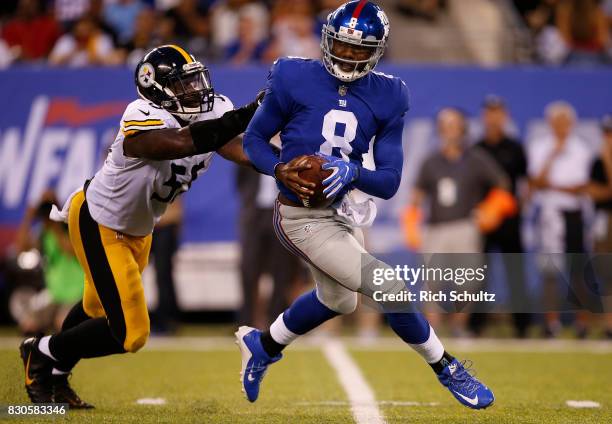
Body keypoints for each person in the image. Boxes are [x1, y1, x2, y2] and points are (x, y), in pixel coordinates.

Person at [237, 1, 494, 410]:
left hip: (342, 208)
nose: (349, 55)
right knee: (389, 287)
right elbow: (252, 140)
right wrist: (279, 169)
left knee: (338, 301)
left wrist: (352, 172)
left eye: (361, 49)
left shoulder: (390, 94)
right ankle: (447, 366)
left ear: (378, 50)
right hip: (300, 215)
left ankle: (262, 344)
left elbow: (390, 181)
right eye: (342, 44)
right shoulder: (292, 75)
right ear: (326, 40)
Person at [19, 44, 262, 408]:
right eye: (181, 85)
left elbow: (234, 146)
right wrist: (244, 115)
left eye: (194, 81)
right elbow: (179, 143)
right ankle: (40, 351)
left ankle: (53, 375)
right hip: (99, 221)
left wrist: (280, 167)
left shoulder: (212, 111)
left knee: (95, 309)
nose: (194, 91)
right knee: (130, 333)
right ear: (156, 90)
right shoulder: (142, 115)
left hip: (140, 228)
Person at [402, 107, 515, 337]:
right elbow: (417, 196)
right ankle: (431, 333)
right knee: (432, 284)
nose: (450, 130)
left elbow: (503, 183)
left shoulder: (476, 158)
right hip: (436, 228)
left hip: (465, 226)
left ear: (462, 128)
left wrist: (490, 209)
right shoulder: (431, 161)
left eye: (454, 124)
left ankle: (458, 327)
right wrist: (411, 222)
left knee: (466, 284)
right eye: (445, 125)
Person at [527, 101, 593, 337]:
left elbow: (582, 187)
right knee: (550, 272)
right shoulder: (540, 147)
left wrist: (555, 187)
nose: (561, 127)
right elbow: (536, 182)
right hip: (550, 214)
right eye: (557, 122)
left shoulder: (581, 148)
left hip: (574, 213)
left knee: (578, 271)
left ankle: (581, 323)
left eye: (565, 122)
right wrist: (553, 156)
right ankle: (551, 323)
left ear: (572, 123)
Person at [471, 95, 530, 338]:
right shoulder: (477, 149)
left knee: (515, 271)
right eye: (489, 112)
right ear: (484, 117)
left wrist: (518, 207)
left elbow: (525, 183)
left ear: (504, 116)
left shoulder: (515, 148)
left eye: (497, 112)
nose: (493, 117)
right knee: (480, 273)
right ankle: (475, 326)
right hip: (483, 220)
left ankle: (523, 327)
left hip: (509, 220)